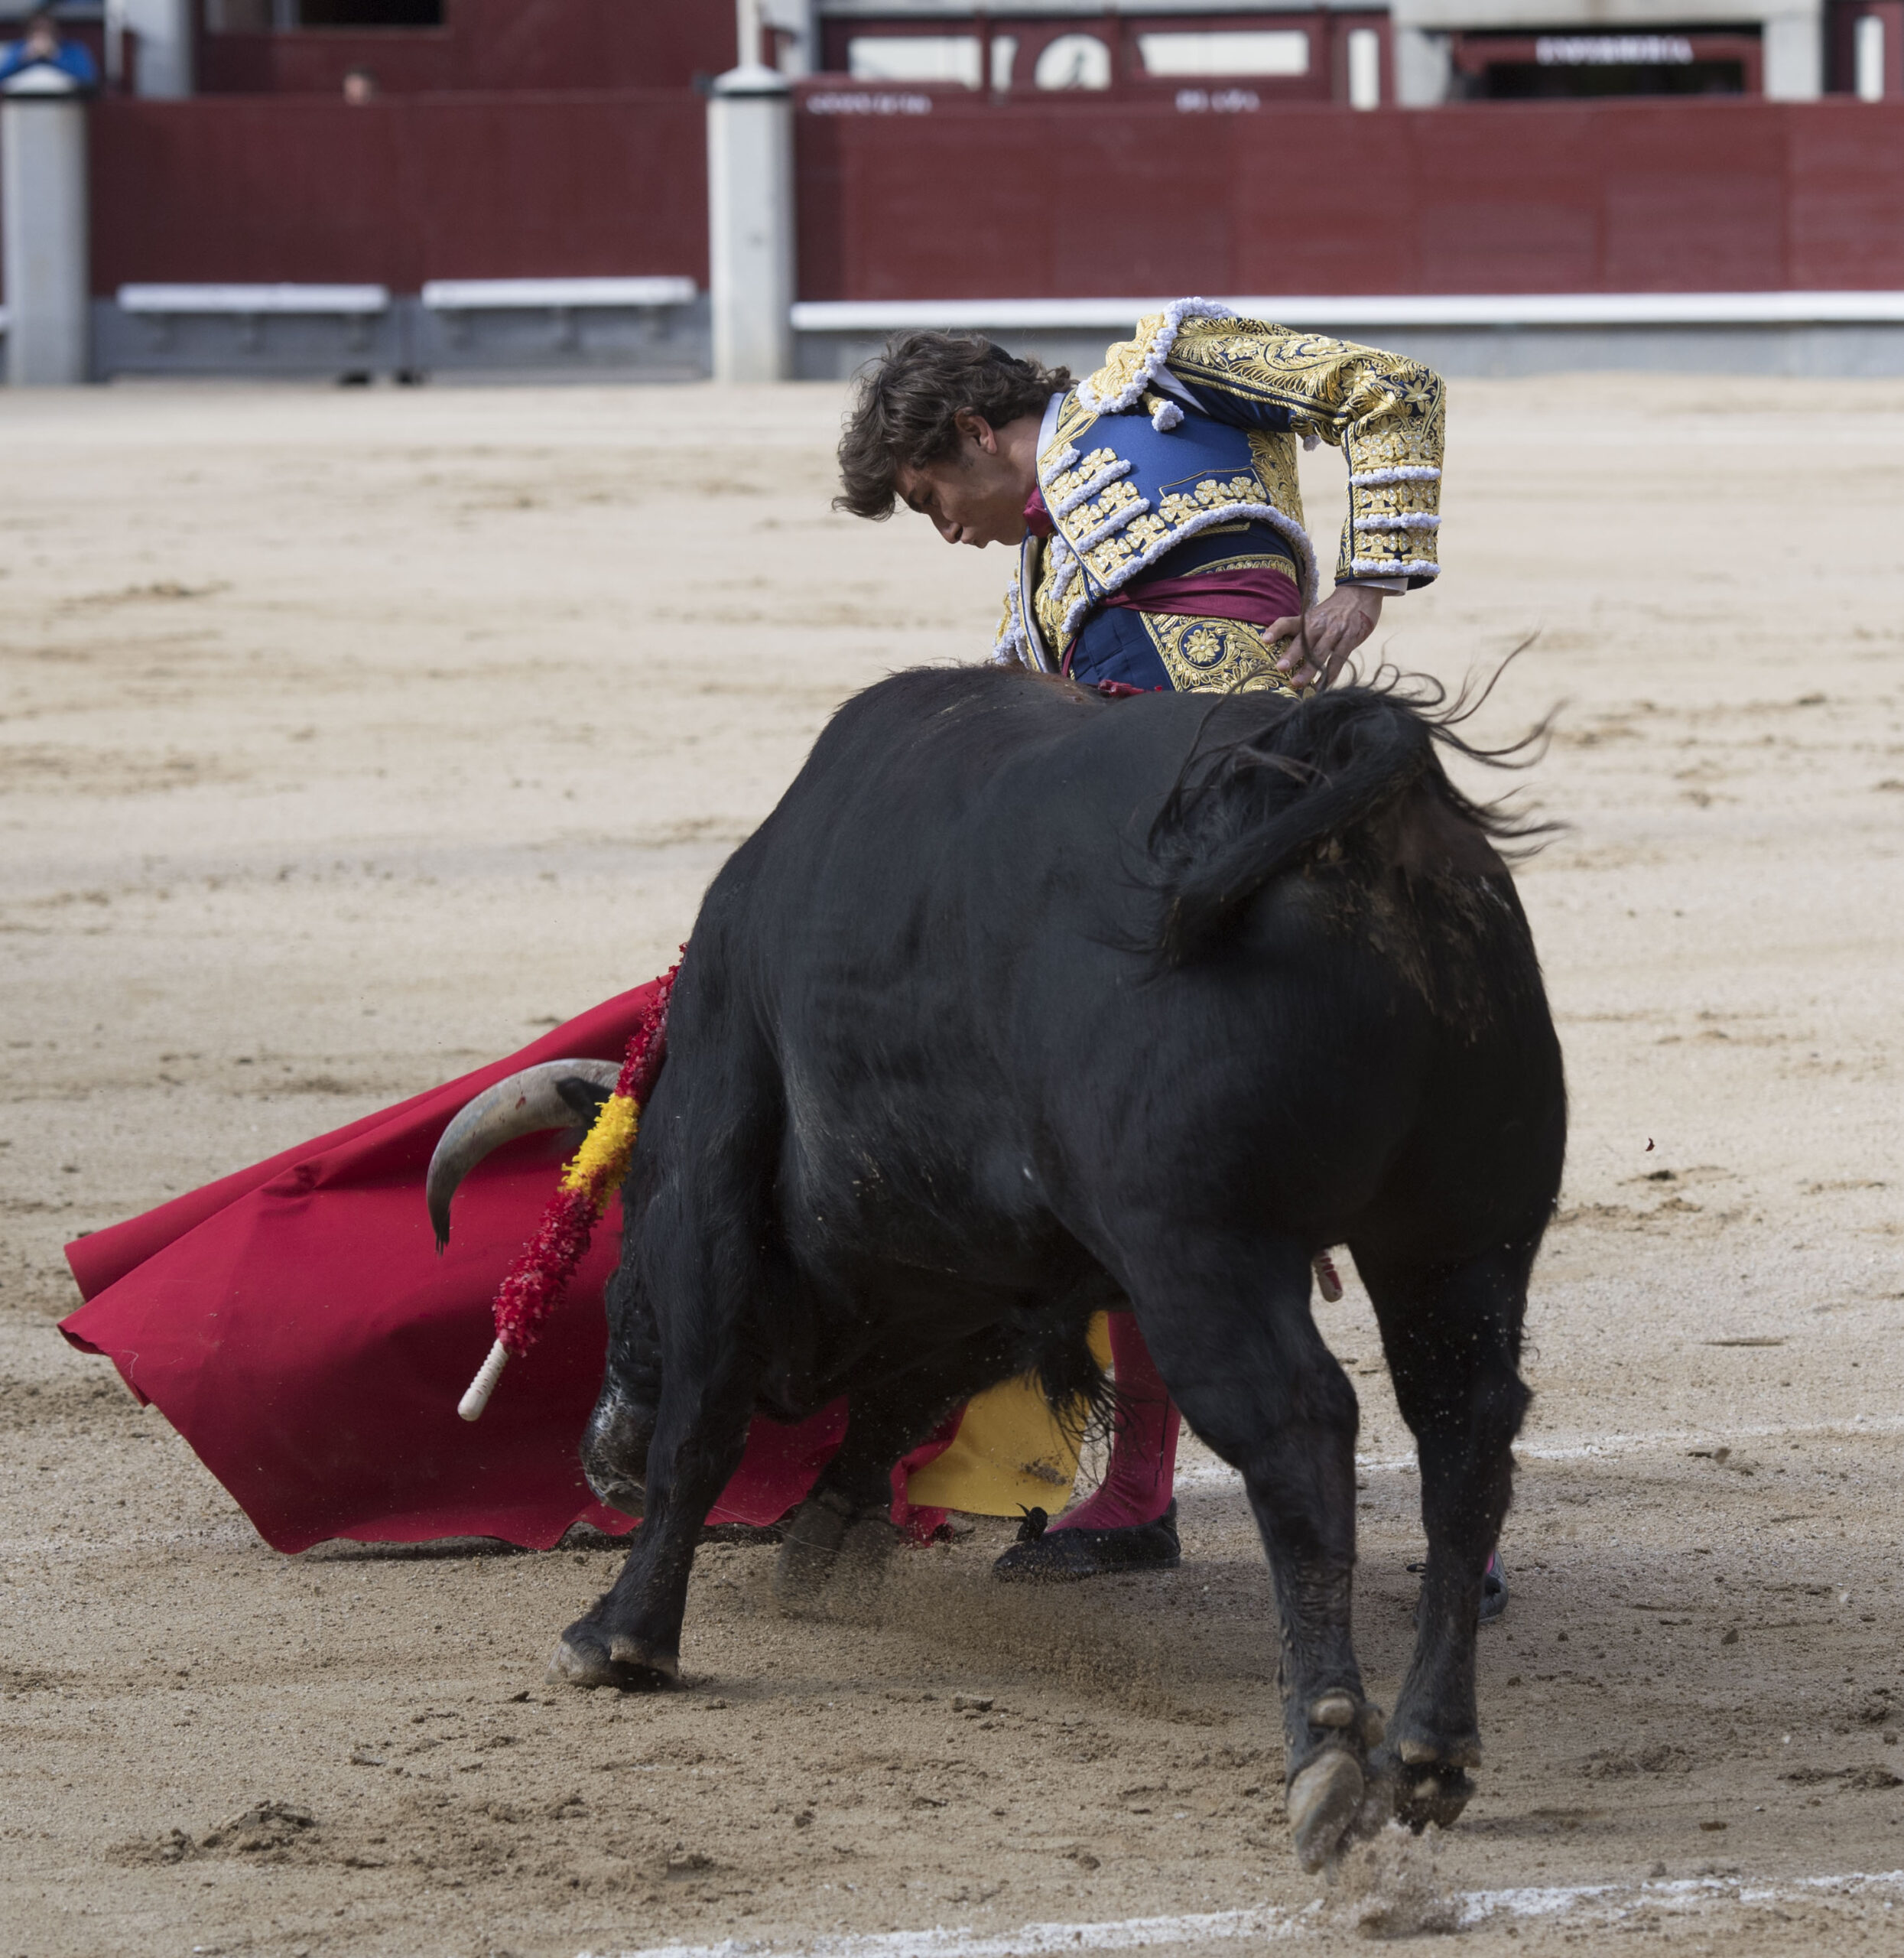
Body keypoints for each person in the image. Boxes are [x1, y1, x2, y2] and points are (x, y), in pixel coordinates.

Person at [831, 301, 1486, 1598]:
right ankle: (1135, 1491)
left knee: (1414, 1162)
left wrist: (1367, 580)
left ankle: (1456, 1512)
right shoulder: (1035, 591)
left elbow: (1388, 387)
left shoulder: (1170, 367)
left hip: (1271, 805)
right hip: (1150, 859)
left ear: (976, 430)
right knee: (1102, 1140)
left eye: (931, 496)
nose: (943, 527)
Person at [0, 7, 99, 87]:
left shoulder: (73, 49)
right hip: (21, 105)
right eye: (37, 29)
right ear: (27, 31)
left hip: (64, 105)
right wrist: (21, 59)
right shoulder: (16, 49)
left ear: (56, 30)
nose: (42, 34)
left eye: (47, 29)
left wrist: (56, 57)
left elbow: (89, 79)